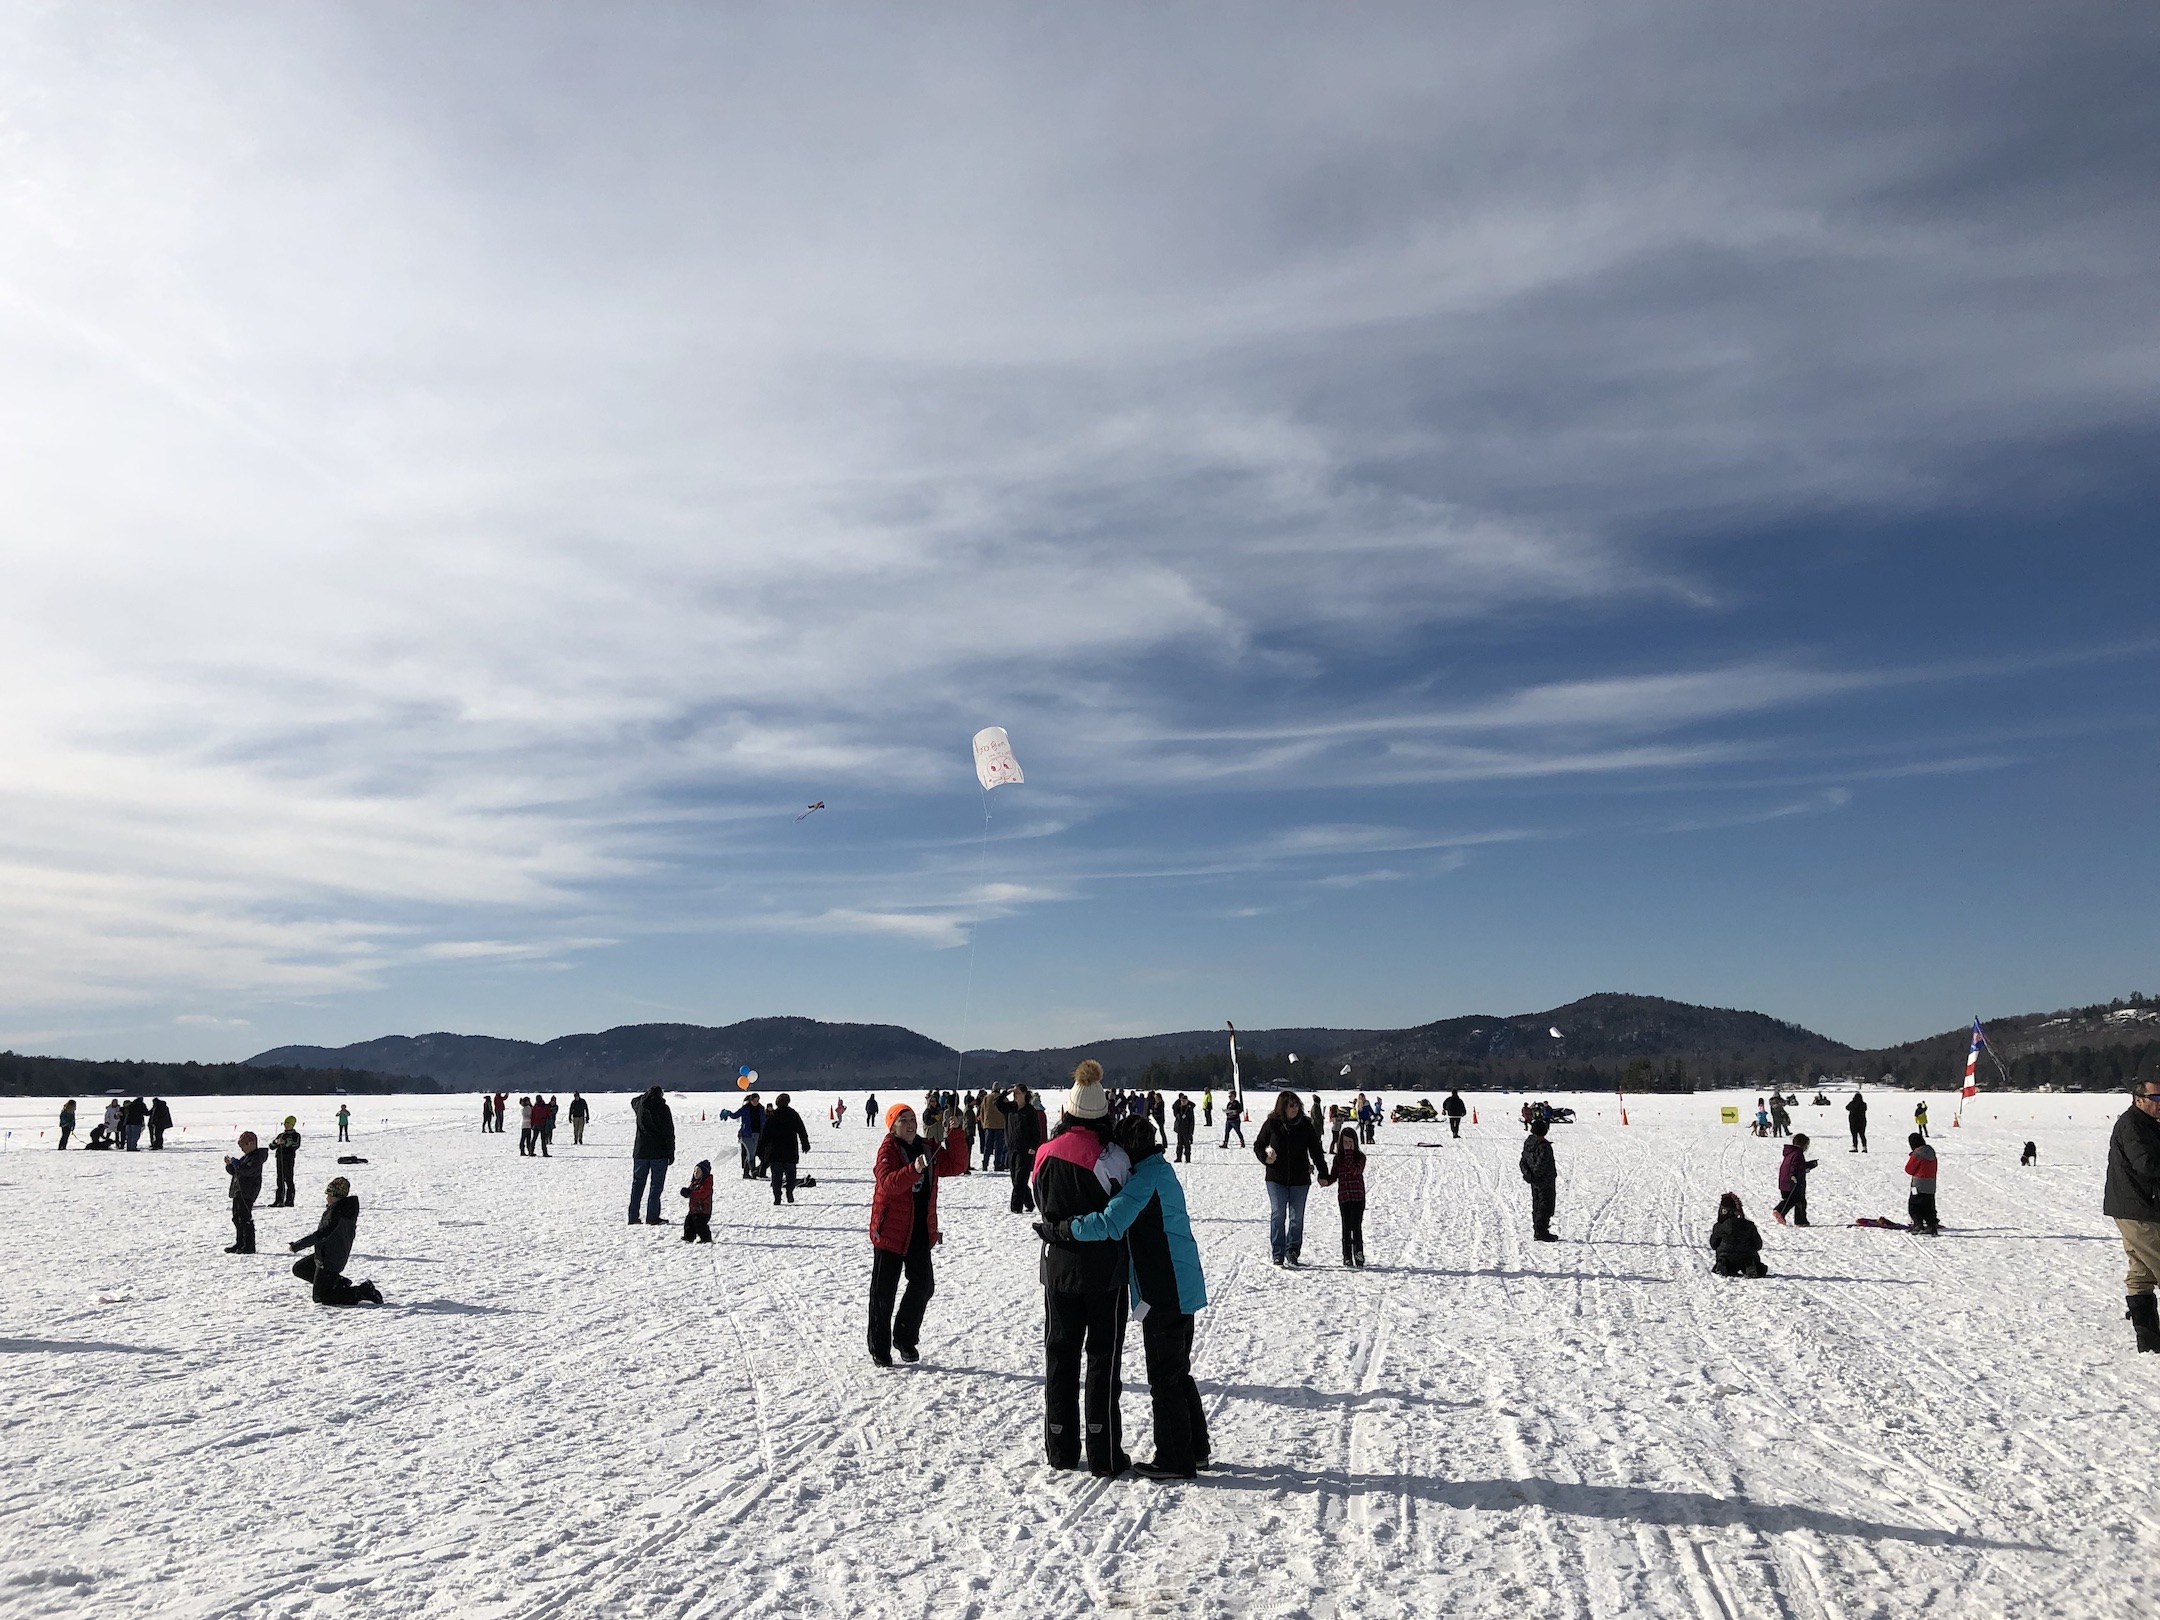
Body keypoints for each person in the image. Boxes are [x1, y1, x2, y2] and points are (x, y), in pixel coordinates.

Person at [1048, 1113, 1210, 1480]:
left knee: (1165, 1378)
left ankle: (1175, 1459)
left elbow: (1110, 1222)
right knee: (1178, 1371)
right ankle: (1195, 1448)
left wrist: (1064, 1229)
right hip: (1181, 1282)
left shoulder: (1144, 1181)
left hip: (1164, 1288)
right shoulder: (1160, 1169)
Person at [1031, 1061, 1133, 1476]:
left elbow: (1038, 1197)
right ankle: (1103, 1450)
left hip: (1057, 1269)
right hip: (1104, 1273)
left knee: (1060, 1355)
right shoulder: (1112, 1157)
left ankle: (1060, 1447)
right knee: (1102, 1359)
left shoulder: (1044, 1152)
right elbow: (1124, 1207)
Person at [864, 1101, 971, 1366]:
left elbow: (956, 1165)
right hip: (890, 1231)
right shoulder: (888, 1149)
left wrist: (955, 1133)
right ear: (893, 1126)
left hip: (920, 1231)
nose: (910, 1124)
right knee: (883, 1294)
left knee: (923, 1286)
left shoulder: (927, 1147)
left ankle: (904, 1338)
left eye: (912, 1119)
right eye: (904, 1120)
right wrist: (914, 1169)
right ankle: (880, 1348)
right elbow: (888, 1184)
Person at [2104, 1074, 2160, 1353]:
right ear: (2138, 1099)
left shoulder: (2148, 1123)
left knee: (2141, 1271)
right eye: (2156, 1098)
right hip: (2138, 1209)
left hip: (2137, 1206)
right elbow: (2147, 1164)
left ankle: (2148, 1338)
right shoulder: (2132, 1125)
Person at [1252, 1091, 1329, 1267]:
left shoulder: (1305, 1125)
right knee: (1278, 1214)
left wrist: (1323, 1173)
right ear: (1282, 1107)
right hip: (1275, 1178)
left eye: (1296, 1105)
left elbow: (1316, 1151)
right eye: (1290, 1105)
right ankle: (1278, 1252)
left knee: (1297, 1217)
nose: (1294, 1109)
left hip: (1300, 1179)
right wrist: (1265, 1157)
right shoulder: (1272, 1123)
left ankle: (1292, 1250)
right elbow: (1258, 1145)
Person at [288, 1177, 383, 1306]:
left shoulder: (337, 1213)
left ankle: (361, 1291)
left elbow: (322, 1234)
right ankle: (338, 1283)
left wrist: (298, 1245)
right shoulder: (338, 1208)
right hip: (324, 1254)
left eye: (329, 1194)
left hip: (331, 1259)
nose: (326, 1198)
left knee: (321, 1297)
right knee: (300, 1269)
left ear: (336, 1196)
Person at [1321, 1124, 1367, 1267]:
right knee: (1346, 1227)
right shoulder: (1338, 1159)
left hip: (1357, 1197)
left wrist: (1348, 1155)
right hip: (1344, 1197)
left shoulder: (1360, 1157)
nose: (1348, 1145)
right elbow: (1334, 1175)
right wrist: (1326, 1181)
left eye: (1351, 1142)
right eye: (1345, 1142)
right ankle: (1347, 1255)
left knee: (1356, 1226)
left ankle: (1358, 1253)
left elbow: (1355, 1171)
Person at [628, 1086, 676, 1226]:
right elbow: (669, 1132)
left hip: (641, 1151)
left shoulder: (640, 1105)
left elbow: (633, 1100)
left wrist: (646, 1096)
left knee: (637, 1184)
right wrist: (671, 1152)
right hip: (658, 1153)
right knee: (656, 1186)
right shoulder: (663, 1108)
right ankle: (652, 1216)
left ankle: (633, 1216)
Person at [758, 1093, 812, 1205]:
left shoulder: (772, 1116)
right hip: (790, 1150)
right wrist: (805, 1144)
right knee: (791, 1175)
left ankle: (777, 1197)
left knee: (776, 1177)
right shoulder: (793, 1115)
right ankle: (789, 1192)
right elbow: (801, 1130)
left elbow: (764, 1134)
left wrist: (760, 1149)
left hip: (774, 1151)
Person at [1002, 1085, 1043, 1214]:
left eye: (1018, 1093)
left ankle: (1016, 1207)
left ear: (1024, 1094)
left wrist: (1033, 1146)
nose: (1015, 1095)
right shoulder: (1010, 1108)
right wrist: (1006, 1092)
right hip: (1011, 1147)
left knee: (1020, 1178)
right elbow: (996, 1103)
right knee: (1015, 1178)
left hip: (1025, 1150)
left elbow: (1036, 1131)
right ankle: (1029, 1202)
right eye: (1014, 1093)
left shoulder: (1030, 1111)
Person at [225, 1131, 268, 1254]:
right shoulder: (247, 1157)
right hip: (239, 1191)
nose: (242, 1149)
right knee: (236, 1218)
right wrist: (230, 1166)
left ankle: (249, 1245)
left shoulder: (256, 1157)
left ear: (252, 1143)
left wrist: (236, 1163)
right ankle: (240, 1242)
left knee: (244, 1218)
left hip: (248, 1192)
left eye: (243, 1145)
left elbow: (247, 1171)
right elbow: (237, 1172)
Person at [1708, 1192, 1768, 1277]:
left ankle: (1723, 1264)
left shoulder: (1719, 1227)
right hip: (1746, 1256)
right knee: (1755, 1264)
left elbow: (1714, 1245)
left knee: (1726, 1260)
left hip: (1727, 1258)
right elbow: (1758, 1245)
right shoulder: (1749, 1225)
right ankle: (1750, 1265)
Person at [1519, 1118, 1558, 1242]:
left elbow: (1523, 1162)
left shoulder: (1529, 1142)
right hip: (1544, 1180)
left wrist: (1528, 1175)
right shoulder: (1544, 1147)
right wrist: (1533, 1176)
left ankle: (1539, 1229)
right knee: (1545, 1205)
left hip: (1535, 1181)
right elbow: (1541, 1164)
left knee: (1537, 1204)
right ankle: (1541, 1231)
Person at [1774, 1133, 1817, 1227]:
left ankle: (1786, 1214)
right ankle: (1786, 1213)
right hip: (1793, 1181)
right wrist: (1794, 1175)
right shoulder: (1798, 1153)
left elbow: (1799, 1166)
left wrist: (1810, 1165)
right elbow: (1795, 1166)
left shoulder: (1791, 1152)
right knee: (1798, 1200)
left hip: (1784, 1181)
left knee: (1793, 1199)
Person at [1904, 1132, 1940, 1234]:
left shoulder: (1917, 1154)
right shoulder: (1931, 1152)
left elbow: (1909, 1169)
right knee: (1929, 1206)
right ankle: (1931, 1226)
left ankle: (1918, 1224)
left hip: (1918, 1185)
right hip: (1931, 1185)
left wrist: (1912, 1156)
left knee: (1914, 1205)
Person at [269, 1117, 302, 1208]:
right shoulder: (281, 1134)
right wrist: (275, 1142)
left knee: (289, 1179)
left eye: (288, 1124)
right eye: (285, 1124)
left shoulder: (296, 1135)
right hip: (279, 1159)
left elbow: (296, 1145)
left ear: (292, 1125)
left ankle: (289, 1201)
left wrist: (286, 1142)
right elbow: (271, 1146)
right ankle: (278, 1200)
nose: (286, 1126)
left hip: (289, 1159)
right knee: (280, 1179)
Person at [680, 1160, 715, 1243]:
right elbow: (691, 1191)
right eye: (695, 1171)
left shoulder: (707, 1183)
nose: (695, 1173)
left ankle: (706, 1238)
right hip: (694, 1209)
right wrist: (686, 1192)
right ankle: (689, 1236)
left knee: (700, 1224)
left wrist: (691, 1193)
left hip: (703, 1210)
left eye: (698, 1172)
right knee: (689, 1222)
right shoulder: (694, 1182)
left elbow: (703, 1193)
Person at [735, 1094, 768, 1179]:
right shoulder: (745, 1108)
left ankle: (746, 1173)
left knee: (750, 1153)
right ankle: (753, 1170)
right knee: (751, 1152)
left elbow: (764, 1120)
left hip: (757, 1133)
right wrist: (727, 1113)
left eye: (757, 1101)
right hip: (746, 1134)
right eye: (754, 1101)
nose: (756, 1102)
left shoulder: (761, 1109)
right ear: (750, 1100)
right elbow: (735, 1115)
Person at [978, 1087, 1006, 1171]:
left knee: (987, 1146)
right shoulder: (1003, 1098)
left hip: (988, 1125)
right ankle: (998, 1164)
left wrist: (983, 1123)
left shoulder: (987, 1098)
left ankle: (985, 1164)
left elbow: (982, 1111)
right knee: (999, 1146)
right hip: (1000, 1125)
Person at [1171, 1094, 1196, 1163]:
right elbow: (1174, 1106)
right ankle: (1178, 1157)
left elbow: (1191, 1121)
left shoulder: (1189, 1109)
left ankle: (1187, 1158)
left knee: (1187, 1144)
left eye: (1184, 1101)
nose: (1183, 1102)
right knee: (1179, 1144)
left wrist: (1191, 1131)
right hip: (1179, 1129)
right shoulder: (1178, 1108)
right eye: (1182, 1101)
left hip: (1186, 1130)